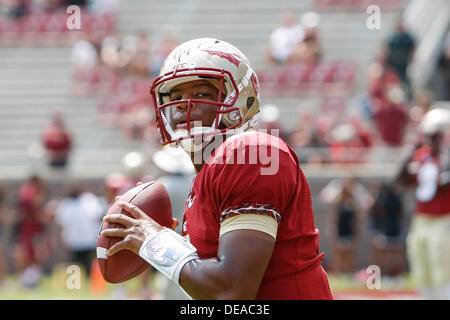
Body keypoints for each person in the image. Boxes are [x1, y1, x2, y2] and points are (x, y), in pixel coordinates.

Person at [100, 38, 333, 300]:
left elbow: (231, 291)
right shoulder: (207, 176)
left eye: (201, 93)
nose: (182, 105)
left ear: (241, 97)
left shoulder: (252, 151)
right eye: (176, 96)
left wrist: (156, 242)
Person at [394, 107, 450, 299]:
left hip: (444, 218)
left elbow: (443, 183)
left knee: (441, 261)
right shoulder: (422, 155)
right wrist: (411, 152)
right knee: (420, 261)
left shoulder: (446, 157)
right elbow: (400, 180)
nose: (430, 138)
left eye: (434, 134)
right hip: (422, 218)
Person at [54, 182, 105, 275]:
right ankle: (79, 282)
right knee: (79, 263)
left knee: (85, 263)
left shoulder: (87, 200)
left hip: (85, 240)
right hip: (80, 240)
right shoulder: (68, 203)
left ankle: (85, 281)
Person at [384, 20, 416, 99]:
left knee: (405, 81)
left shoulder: (407, 37)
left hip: (403, 63)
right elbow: (387, 49)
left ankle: (409, 97)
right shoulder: (393, 37)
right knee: (393, 81)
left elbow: (412, 48)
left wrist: (412, 59)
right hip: (394, 63)